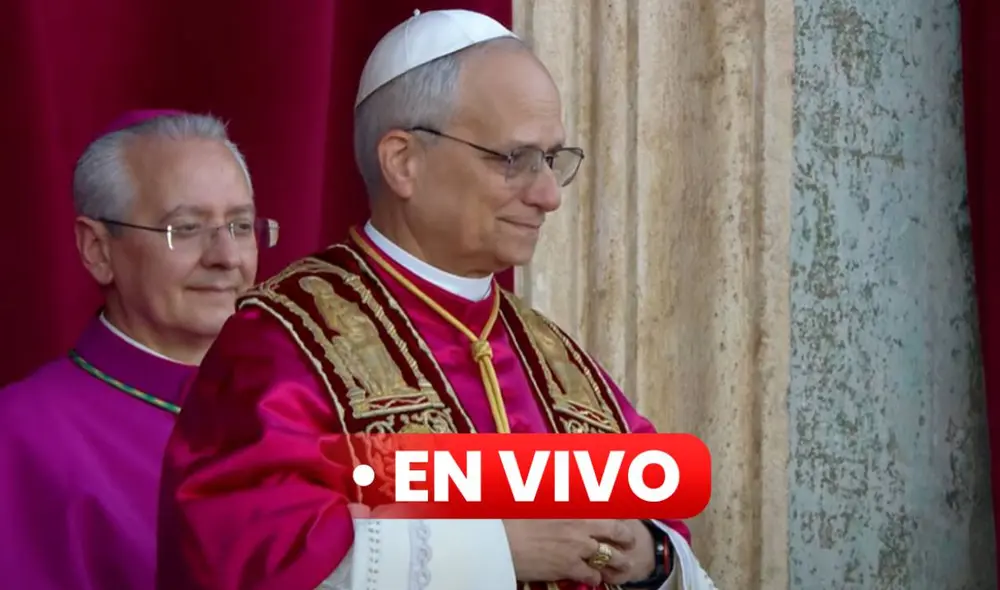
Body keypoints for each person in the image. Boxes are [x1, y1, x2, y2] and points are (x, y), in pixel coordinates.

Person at [157, 10, 717, 590]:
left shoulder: (555, 358)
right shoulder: (282, 345)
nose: (549, 194)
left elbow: (663, 527)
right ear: (404, 161)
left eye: (552, 160)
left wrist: (654, 557)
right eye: (513, 159)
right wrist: (491, 550)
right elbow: (244, 560)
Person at [0, 109, 278, 589]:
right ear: (98, 250)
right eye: (186, 229)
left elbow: (443, 510)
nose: (226, 258)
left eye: (240, 226)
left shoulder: (306, 390)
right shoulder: (23, 437)